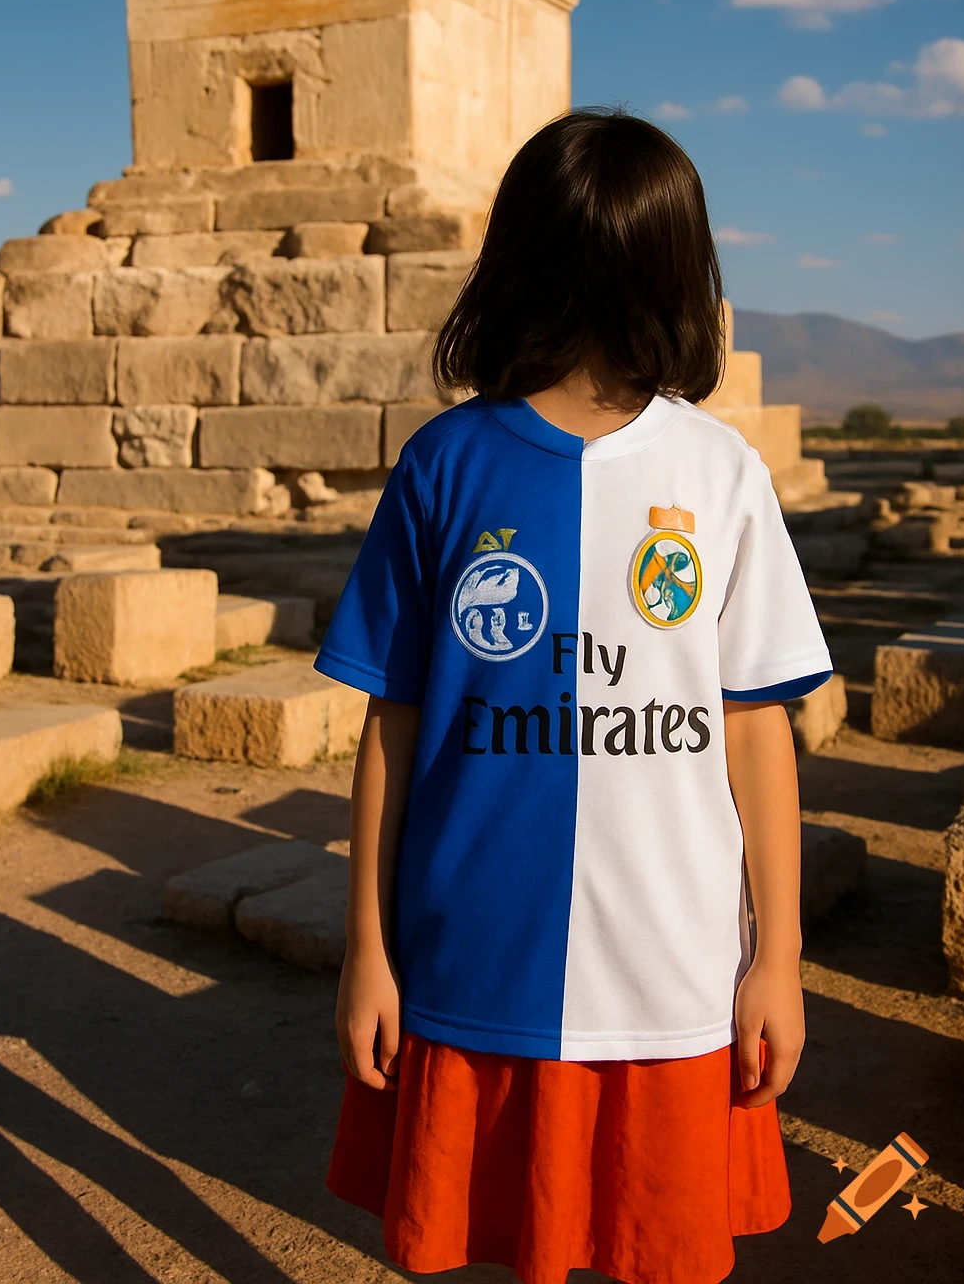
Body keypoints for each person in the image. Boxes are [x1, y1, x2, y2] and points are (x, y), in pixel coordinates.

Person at [313, 108, 832, 1284]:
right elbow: (392, 722)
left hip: (674, 970)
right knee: (500, 1245)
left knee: (657, 1248)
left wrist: (777, 957)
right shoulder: (447, 465)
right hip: (468, 963)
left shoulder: (717, 473)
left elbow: (757, 731)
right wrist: (367, 949)